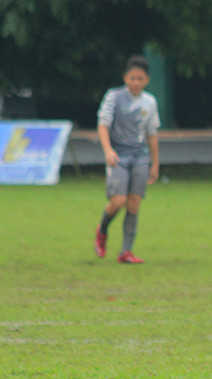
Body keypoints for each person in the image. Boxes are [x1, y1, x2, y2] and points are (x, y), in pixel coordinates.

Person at [94, 55, 160, 264]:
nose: (136, 82)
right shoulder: (113, 97)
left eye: (140, 79)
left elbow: (151, 134)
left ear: (147, 80)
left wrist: (155, 163)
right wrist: (107, 150)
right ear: (125, 78)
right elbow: (103, 124)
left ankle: (125, 252)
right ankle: (102, 229)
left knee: (133, 205)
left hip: (140, 157)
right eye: (132, 78)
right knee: (118, 202)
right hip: (118, 156)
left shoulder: (149, 102)